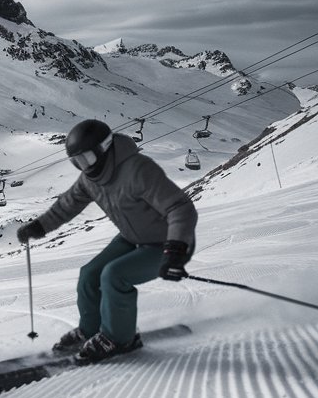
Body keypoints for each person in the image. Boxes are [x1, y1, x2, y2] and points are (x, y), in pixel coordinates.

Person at [16, 119, 198, 363]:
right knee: (90, 274)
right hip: (133, 238)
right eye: (76, 162)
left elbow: (180, 208)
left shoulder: (138, 170)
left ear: (104, 148)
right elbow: (67, 205)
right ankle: (91, 330)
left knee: (114, 275)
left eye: (87, 158)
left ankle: (121, 339)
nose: (84, 166)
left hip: (169, 243)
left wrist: (175, 249)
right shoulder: (90, 179)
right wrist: (39, 226)